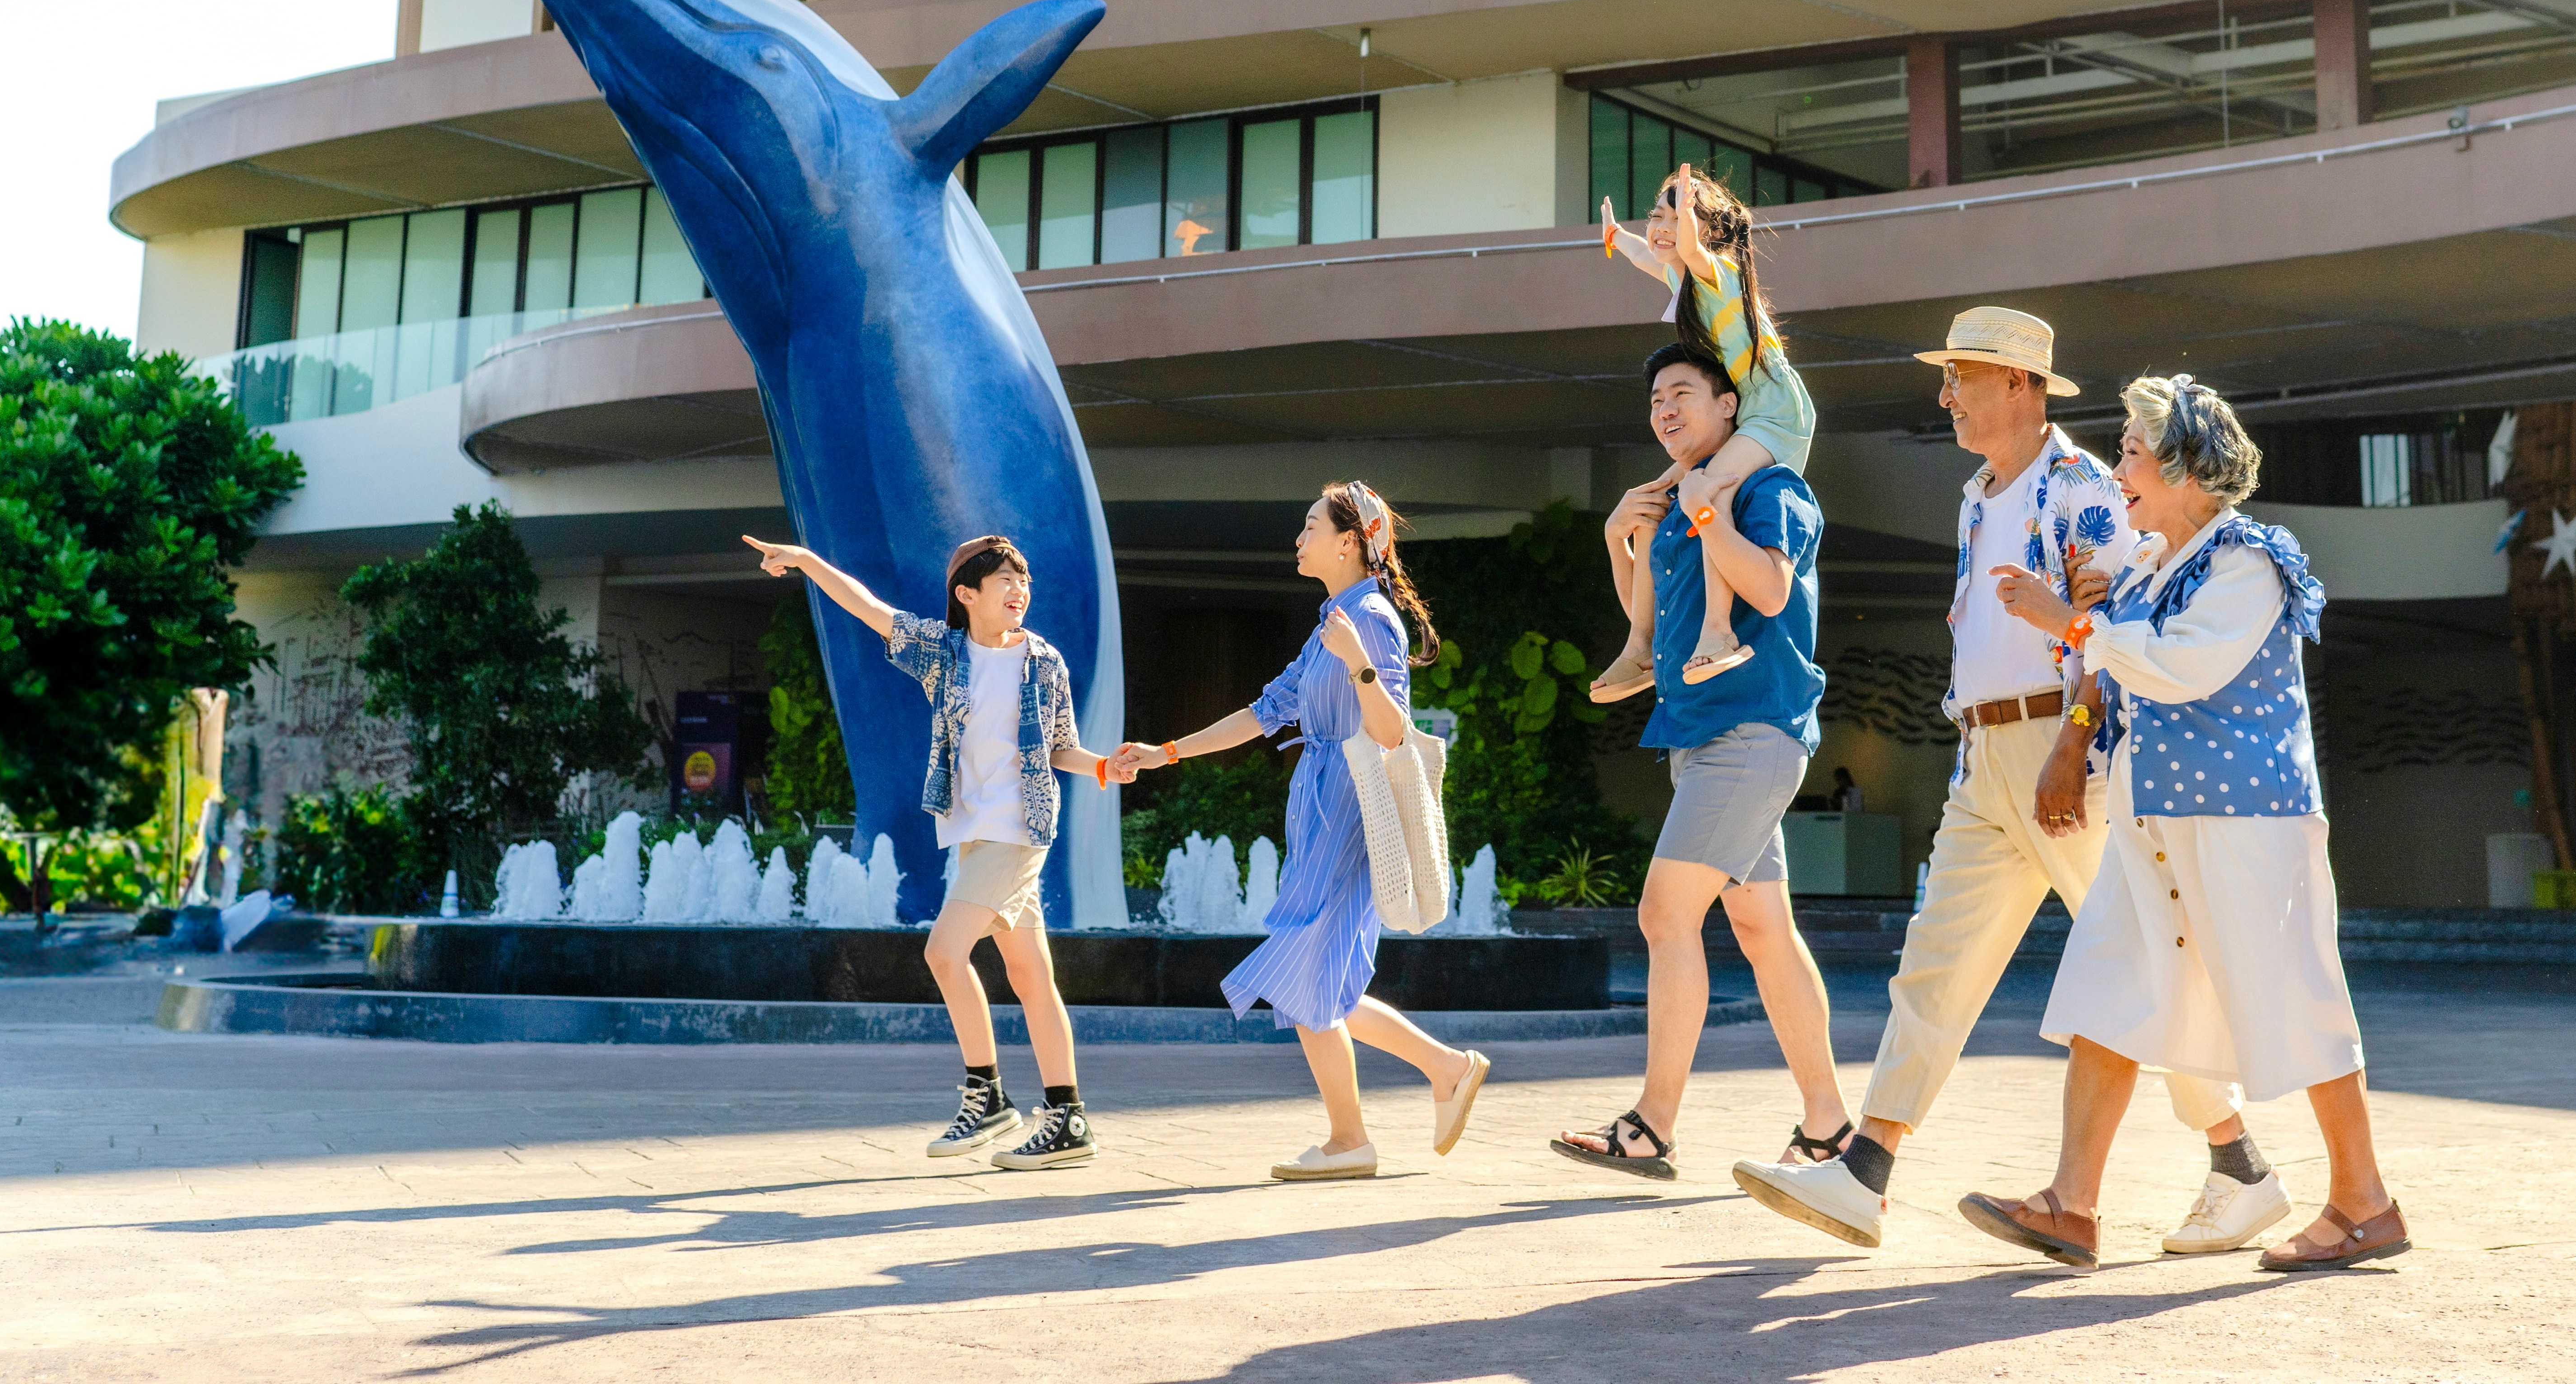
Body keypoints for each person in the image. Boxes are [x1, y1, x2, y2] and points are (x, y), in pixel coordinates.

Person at [1734, 309, 2282, 1254]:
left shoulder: (2081, 488)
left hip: (2066, 758)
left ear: (2023, 385)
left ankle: (2239, 1166)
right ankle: (1866, 1169)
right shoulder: (1978, 493)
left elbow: (2117, 628)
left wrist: (2073, 740)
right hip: (1984, 760)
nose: (1945, 394)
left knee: (2143, 969)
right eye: (1946, 377)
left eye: (1963, 376)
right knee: (1936, 965)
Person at [1960, 373, 2407, 1273]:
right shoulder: (2147, 564)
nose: (2117, 464)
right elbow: (2115, 674)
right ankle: (2070, 1205)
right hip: (2154, 817)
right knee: (2106, 990)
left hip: (2246, 821)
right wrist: (2078, 722)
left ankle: (2363, 1203)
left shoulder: (2245, 561)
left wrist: (2070, 622)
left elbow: (2181, 670)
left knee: (2293, 995)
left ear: (2187, 470)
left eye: (2131, 450)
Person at [1113, 483, 1493, 1180]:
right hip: (1319, 804)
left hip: (1350, 806)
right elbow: (1265, 712)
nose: (1299, 538)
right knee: (1322, 981)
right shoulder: (1333, 618)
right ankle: (1438, 1074)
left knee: (1304, 970)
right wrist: (1165, 752)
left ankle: (1358, 1135)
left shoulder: (1367, 621)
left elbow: (1391, 732)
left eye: (1310, 526)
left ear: (1349, 542)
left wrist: (1358, 661)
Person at [1553, 341, 1853, 1180]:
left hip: (1751, 732)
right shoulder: (1682, 501)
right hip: (1698, 734)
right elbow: (1654, 628)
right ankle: (1829, 1126)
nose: (1665, 410)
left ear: (1732, 409)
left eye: (1682, 393)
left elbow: (1766, 591)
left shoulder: (1769, 488)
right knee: (1762, 930)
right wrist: (1624, 541)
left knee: (1663, 915)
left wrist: (1708, 513)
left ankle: (1651, 1124)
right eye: (1655, 400)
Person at [742, 529, 1124, 1171]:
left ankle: (989, 1094)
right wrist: (807, 560)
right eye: (1006, 580)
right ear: (967, 593)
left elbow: (1059, 747)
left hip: (1021, 828)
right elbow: (868, 608)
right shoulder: (942, 654)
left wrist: (1106, 767)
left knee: (943, 951)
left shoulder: (1044, 661)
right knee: (1031, 975)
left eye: (1024, 581)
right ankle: (1068, 1116)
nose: (1020, 591)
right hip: (975, 835)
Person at [1587, 164, 1817, 692]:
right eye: (1657, 214)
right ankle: (1640, 644)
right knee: (1660, 495)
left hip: (1776, 412)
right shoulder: (1683, 276)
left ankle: (1717, 632)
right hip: (1751, 412)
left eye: (1674, 216)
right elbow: (1653, 258)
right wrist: (1618, 237)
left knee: (1705, 488)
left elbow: (1687, 249)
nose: (1660, 226)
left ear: (1705, 231)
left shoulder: (1717, 271)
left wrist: (1686, 221)